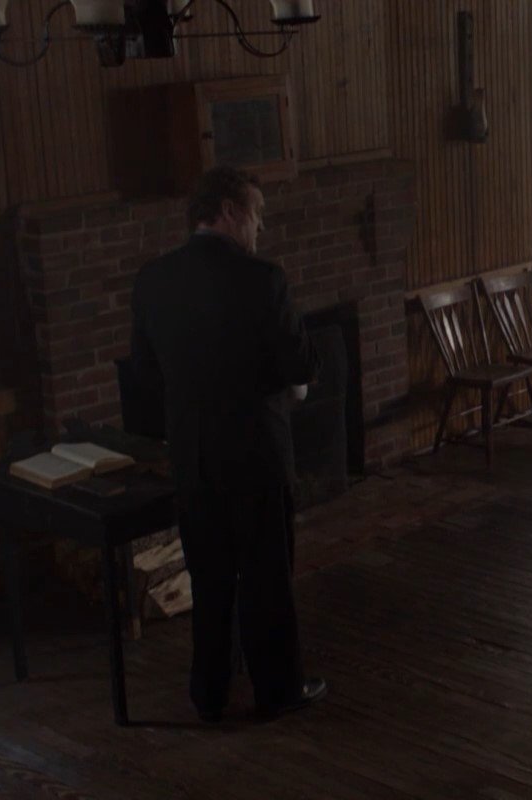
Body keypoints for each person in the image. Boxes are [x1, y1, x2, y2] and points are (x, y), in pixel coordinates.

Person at [130, 167, 324, 723]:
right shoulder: (263, 279)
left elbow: (145, 373)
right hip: (256, 455)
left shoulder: (153, 280)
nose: (259, 228)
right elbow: (300, 365)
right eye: (257, 215)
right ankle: (277, 690)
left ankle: (209, 693)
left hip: (192, 456)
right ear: (230, 211)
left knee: (209, 580)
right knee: (266, 578)